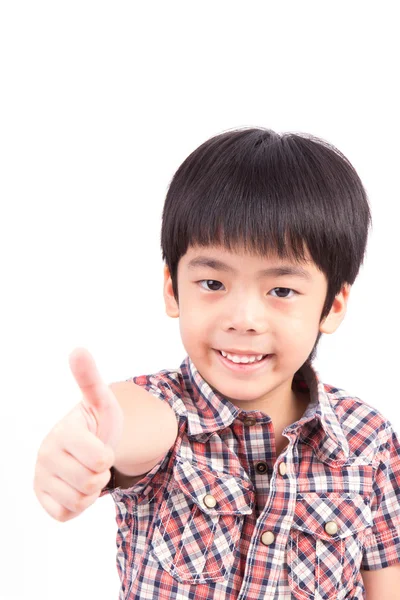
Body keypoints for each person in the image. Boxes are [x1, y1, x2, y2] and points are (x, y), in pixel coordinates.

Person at [33, 127, 400, 599]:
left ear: (332, 306)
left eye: (281, 291)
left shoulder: (368, 440)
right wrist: (82, 444)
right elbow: (128, 424)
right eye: (212, 283)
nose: (244, 319)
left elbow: (385, 585)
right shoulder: (163, 412)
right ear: (173, 288)